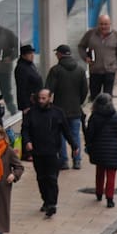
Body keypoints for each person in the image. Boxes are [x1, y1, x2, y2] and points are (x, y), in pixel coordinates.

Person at [22, 89, 78, 218]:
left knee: (52, 178)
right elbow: (25, 129)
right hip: (37, 151)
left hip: (52, 151)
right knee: (41, 178)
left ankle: (52, 204)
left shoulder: (58, 113)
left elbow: (66, 131)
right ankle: (46, 200)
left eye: (44, 98)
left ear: (50, 98)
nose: (41, 101)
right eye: (39, 98)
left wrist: (74, 145)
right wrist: (27, 141)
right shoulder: (31, 113)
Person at [83, 93, 117, 208]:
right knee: (111, 175)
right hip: (113, 151)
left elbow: (89, 134)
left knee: (99, 172)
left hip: (98, 150)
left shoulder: (94, 117)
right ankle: (110, 198)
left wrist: (88, 145)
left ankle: (99, 193)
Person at [44, 44, 87, 170]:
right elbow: (85, 90)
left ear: (60, 54)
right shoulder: (80, 70)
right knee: (75, 135)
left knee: (60, 135)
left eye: (57, 53)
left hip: (59, 110)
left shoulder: (55, 70)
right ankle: (77, 160)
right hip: (75, 109)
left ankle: (63, 160)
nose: (56, 55)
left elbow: (48, 90)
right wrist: (78, 102)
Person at [77, 14, 117, 102]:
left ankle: (107, 110)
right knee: (95, 97)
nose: (103, 26)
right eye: (101, 24)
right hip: (95, 71)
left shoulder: (116, 35)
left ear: (110, 24)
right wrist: (85, 57)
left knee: (107, 97)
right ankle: (96, 110)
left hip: (110, 71)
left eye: (105, 24)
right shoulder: (90, 34)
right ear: (98, 24)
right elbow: (81, 46)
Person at [14, 45, 43, 114]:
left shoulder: (30, 65)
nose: (32, 55)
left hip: (36, 100)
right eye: (29, 53)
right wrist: (26, 105)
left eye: (32, 53)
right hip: (30, 103)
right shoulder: (21, 68)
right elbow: (22, 88)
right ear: (23, 56)